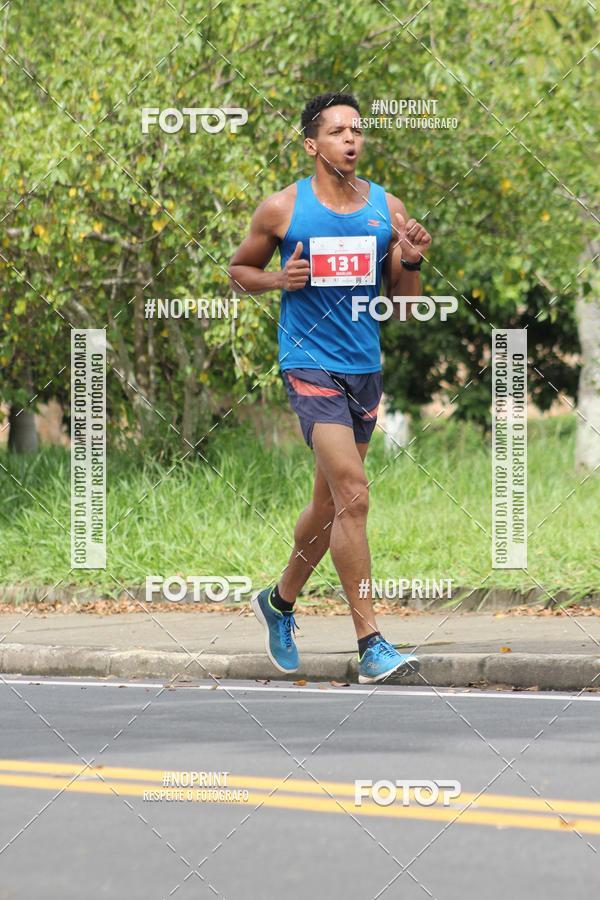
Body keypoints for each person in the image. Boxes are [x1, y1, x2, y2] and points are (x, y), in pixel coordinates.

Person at [228, 92, 432, 683]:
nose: (351, 139)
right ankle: (371, 643)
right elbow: (239, 271)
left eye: (357, 130)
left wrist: (410, 261)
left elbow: (405, 309)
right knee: (354, 495)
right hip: (308, 363)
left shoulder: (386, 208)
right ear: (311, 144)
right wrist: (278, 279)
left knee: (328, 506)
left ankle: (279, 602)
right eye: (338, 131)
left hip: (363, 367)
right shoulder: (282, 208)